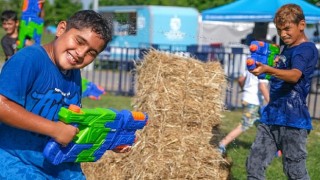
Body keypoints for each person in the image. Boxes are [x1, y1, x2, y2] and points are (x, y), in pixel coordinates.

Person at [0, 10, 113, 179]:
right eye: (79, 41)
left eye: (91, 53)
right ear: (61, 29)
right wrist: (54, 130)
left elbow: (69, 126)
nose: (81, 53)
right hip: (20, 165)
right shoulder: (29, 59)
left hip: (61, 169)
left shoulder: (74, 75)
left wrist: (107, 139)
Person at [246, 4, 318, 179]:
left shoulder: (306, 49)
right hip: (271, 117)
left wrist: (268, 70)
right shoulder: (287, 47)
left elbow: (294, 76)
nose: (283, 34)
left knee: (295, 171)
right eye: (279, 30)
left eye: (287, 29)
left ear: (301, 25)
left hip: (293, 121)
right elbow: (282, 76)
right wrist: (265, 67)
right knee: (254, 164)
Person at [218, 70, 269, 155]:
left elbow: (240, 79)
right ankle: (222, 144)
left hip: (247, 99)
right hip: (253, 102)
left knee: (262, 123)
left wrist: (244, 89)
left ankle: (271, 146)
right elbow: (262, 86)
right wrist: (271, 102)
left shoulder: (252, 67)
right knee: (244, 125)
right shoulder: (264, 69)